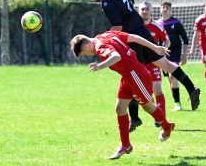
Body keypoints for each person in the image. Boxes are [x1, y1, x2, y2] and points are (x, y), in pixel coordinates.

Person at [84, 0, 200, 133]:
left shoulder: (106, 3)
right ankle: (191, 87)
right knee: (165, 64)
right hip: (142, 31)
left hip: (133, 39)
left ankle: (136, 118)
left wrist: (106, 38)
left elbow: (117, 27)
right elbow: (130, 0)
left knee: (129, 74)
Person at [70, 30, 176, 160]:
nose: (87, 55)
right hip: (127, 76)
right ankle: (125, 145)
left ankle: (167, 126)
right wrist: (154, 47)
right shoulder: (107, 34)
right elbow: (134, 37)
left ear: (85, 47)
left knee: (148, 106)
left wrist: (99, 66)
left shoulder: (100, 46)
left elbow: (116, 57)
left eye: (84, 54)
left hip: (135, 74)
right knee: (120, 108)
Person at [138, 1, 170, 127]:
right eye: (142, 9)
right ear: (139, 11)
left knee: (157, 89)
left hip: (154, 62)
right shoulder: (134, 27)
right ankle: (157, 113)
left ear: (151, 11)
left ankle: (162, 119)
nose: (144, 11)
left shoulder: (157, 26)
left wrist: (163, 51)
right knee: (145, 94)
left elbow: (166, 41)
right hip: (139, 63)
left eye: (147, 9)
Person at [157, 1, 189, 111]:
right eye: (163, 7)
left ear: (170, 10)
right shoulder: (157, 24)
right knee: (170, 79)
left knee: (172, 76)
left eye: (167, 7)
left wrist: (185, 55)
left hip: (175, 51)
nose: (165, 9)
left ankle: (178, 103)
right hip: (163, 53)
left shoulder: (176, 22)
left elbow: (185, 39)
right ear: (160, 9)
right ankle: (176, 102)